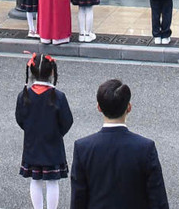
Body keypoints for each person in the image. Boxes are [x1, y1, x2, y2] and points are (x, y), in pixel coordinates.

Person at [68, 78, 170, 209]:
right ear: (129, 107)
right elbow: (158, 199)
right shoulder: (145, 148)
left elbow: (78, 199)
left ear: (99, 107)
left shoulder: (83, 148)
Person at [16, 52, 73, 209]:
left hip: (32, 143)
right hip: (53, 143)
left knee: (36, 180)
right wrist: (57, 133)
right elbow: (67, 121)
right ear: (52, 72)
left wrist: (31, 130)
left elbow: (20, 119)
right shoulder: (58, 96)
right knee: (52, 181)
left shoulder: (24, 95)